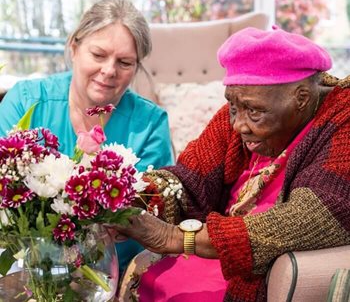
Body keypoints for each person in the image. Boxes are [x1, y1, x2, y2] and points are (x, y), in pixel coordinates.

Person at [114, 26, 350, 301]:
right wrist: (133, 201)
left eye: (254, 112)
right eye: (233, 107)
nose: (238, 125)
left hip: (258, 266)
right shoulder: (240, 112)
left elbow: (312, 217)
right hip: (212, 251)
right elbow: (190, 180)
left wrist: (178, 238)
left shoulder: (343, 118)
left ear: (301, 98)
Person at [0, 0, 174, 276]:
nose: (109, 71)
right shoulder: (25, 101)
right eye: (98, 55)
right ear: (74, 47)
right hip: (26, 271)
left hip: (115, 274)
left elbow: (153, 211)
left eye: (125, 62)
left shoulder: (150, 125)